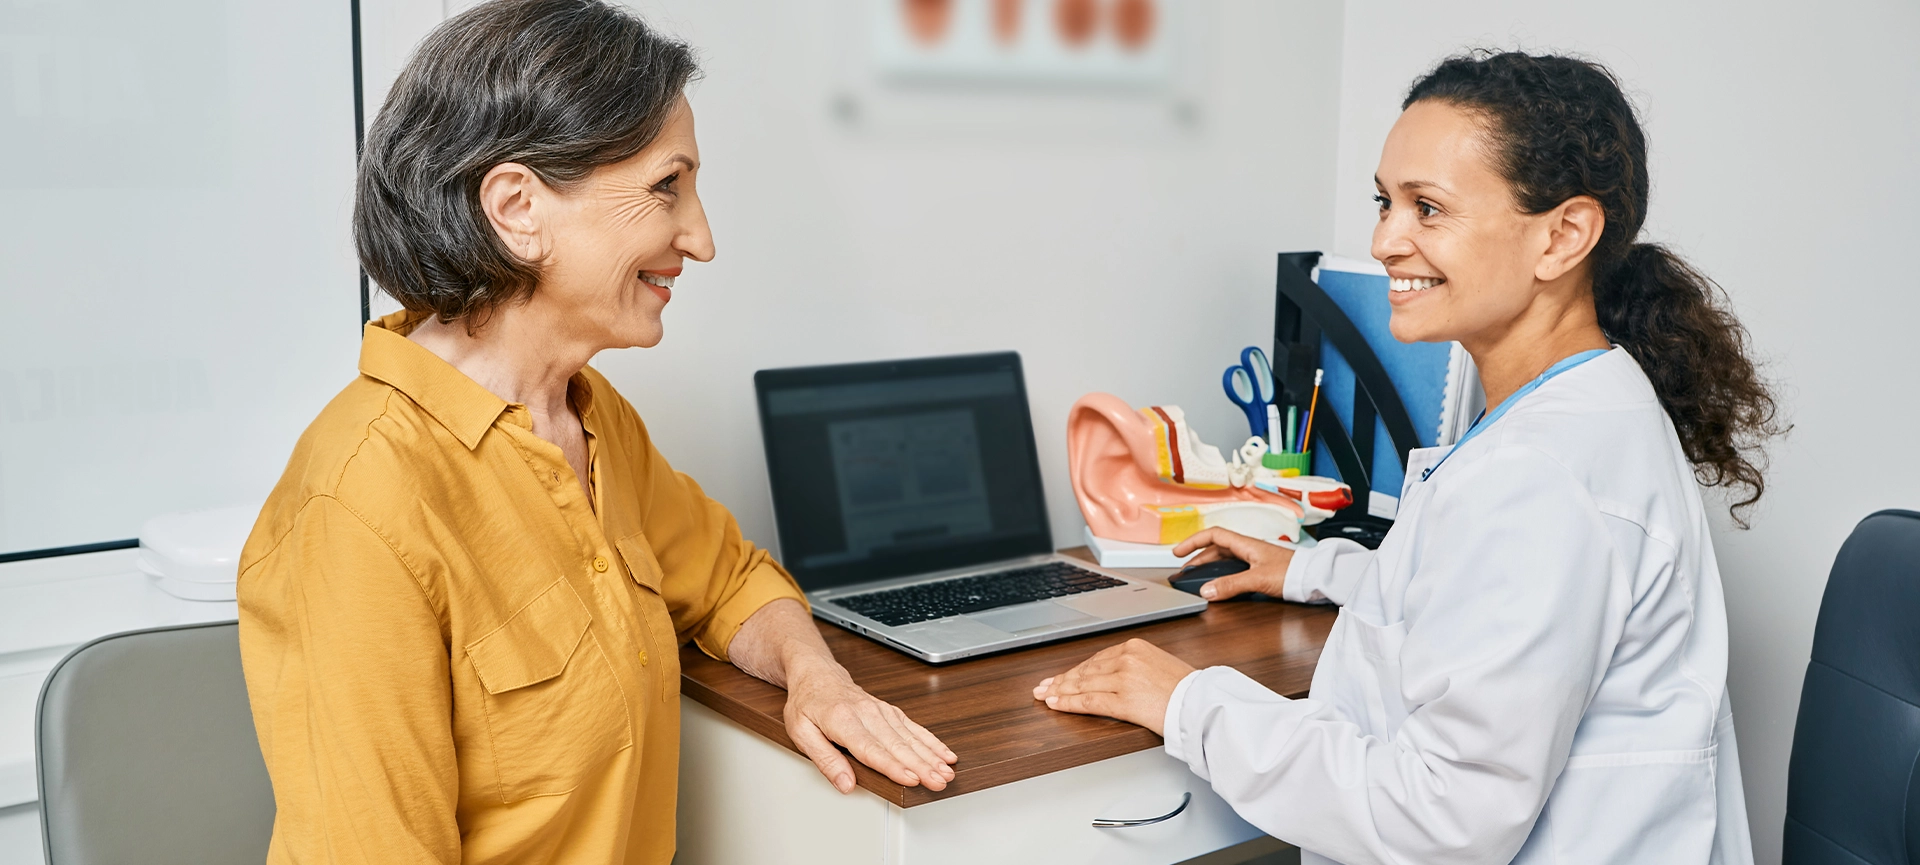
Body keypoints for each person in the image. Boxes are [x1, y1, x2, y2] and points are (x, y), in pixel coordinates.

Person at [236, 2, 955, 863]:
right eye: (666, 187)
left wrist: (818, 678)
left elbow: (732, 579)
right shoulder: (359, 502)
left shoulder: (589, 415)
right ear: (517, 207)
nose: (701, 237)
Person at [1034, 51, 1781, 864]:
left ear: (1563, 235)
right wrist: (1313, 571)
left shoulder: (1544, 475)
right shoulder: (1584, 401)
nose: (1386, 240)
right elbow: (1481, 603)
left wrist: (1188, 702)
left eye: (1428, 208)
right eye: (1385, 202)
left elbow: (1443, 820)